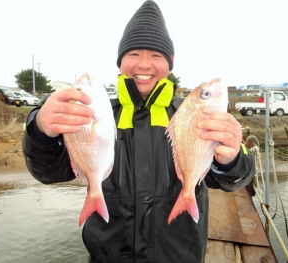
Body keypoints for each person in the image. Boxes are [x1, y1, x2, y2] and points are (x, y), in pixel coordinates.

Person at [22, 1, 255, 262]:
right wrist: (40, 130)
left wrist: (231, 159)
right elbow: (49, 173)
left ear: (170, 63)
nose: (144, 64)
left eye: (156, 55)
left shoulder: (192, 116)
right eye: (133, 54)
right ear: (120, 61)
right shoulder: (90, 114)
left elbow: (236, 180)